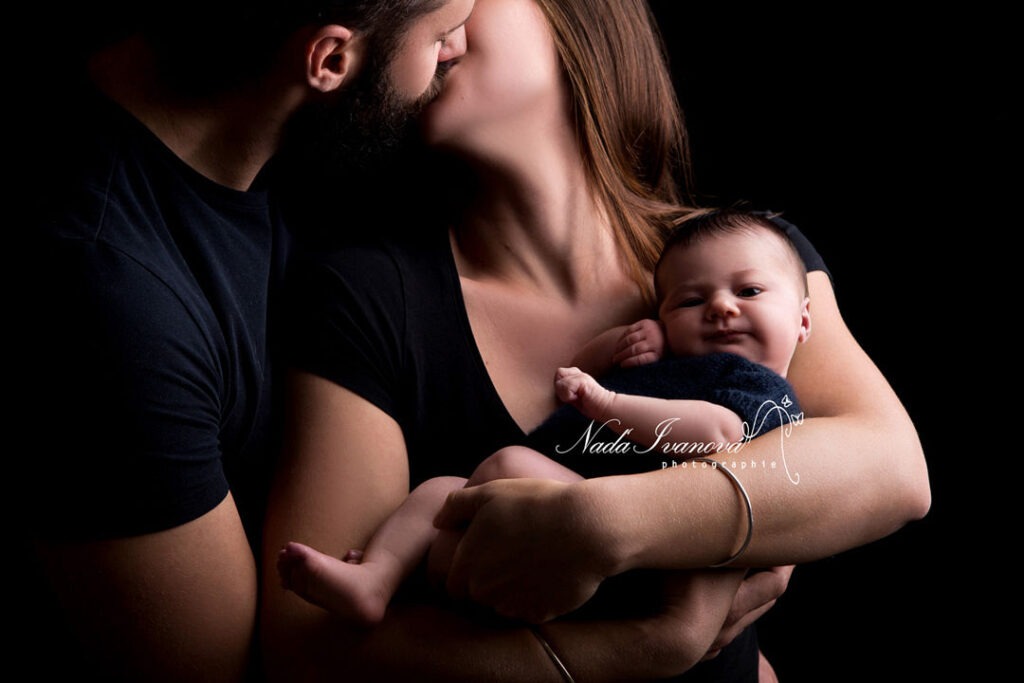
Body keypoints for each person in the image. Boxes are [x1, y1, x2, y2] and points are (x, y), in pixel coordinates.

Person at [265, 0, 930, 680]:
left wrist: (609, 526)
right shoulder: (365, 296)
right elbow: (308, 646)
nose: (441, 13)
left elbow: (893, 469)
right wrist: (655, 643)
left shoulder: (739, 260)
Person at [14, 1, 474, 680]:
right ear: (329, 61)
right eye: (439, 35)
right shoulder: (107, 296)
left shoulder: (295, 155)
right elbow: (213, 668)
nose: (460, 48)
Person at [275, 208, 813, 636]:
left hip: (634, 540)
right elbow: (573, 372)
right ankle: (376, 579)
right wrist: (616, 347)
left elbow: (718, 434)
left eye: (748, 292)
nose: (720, 307)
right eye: (690, 300)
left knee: (508, 465)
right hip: (568, 496)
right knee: (439, 490)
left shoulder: (762, 390)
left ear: (803, 320)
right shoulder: (675, 366)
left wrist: (606, 403)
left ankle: (423, 574)